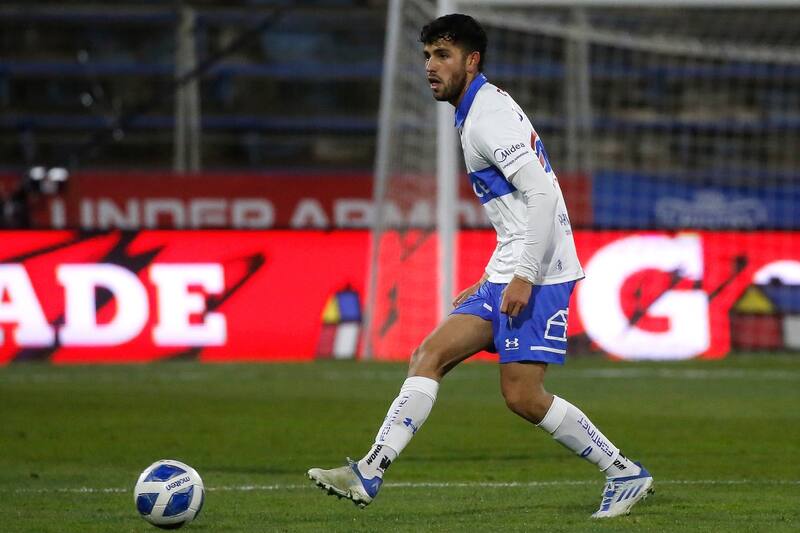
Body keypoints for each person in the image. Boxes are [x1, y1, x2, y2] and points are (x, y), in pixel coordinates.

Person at [308, 13, 653, 519]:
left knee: (522, 396)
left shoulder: (488, 117)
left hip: (542, 273)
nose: (431, 66)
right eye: (427, 55)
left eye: (442, 55)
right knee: (429, 353)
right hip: (511, 267)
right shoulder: (477, 109)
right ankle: (369, 471)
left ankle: (623, 471)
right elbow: (519, 209)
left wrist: (523, 275)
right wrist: (497, 272)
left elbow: (540, 194)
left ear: (472, 61)